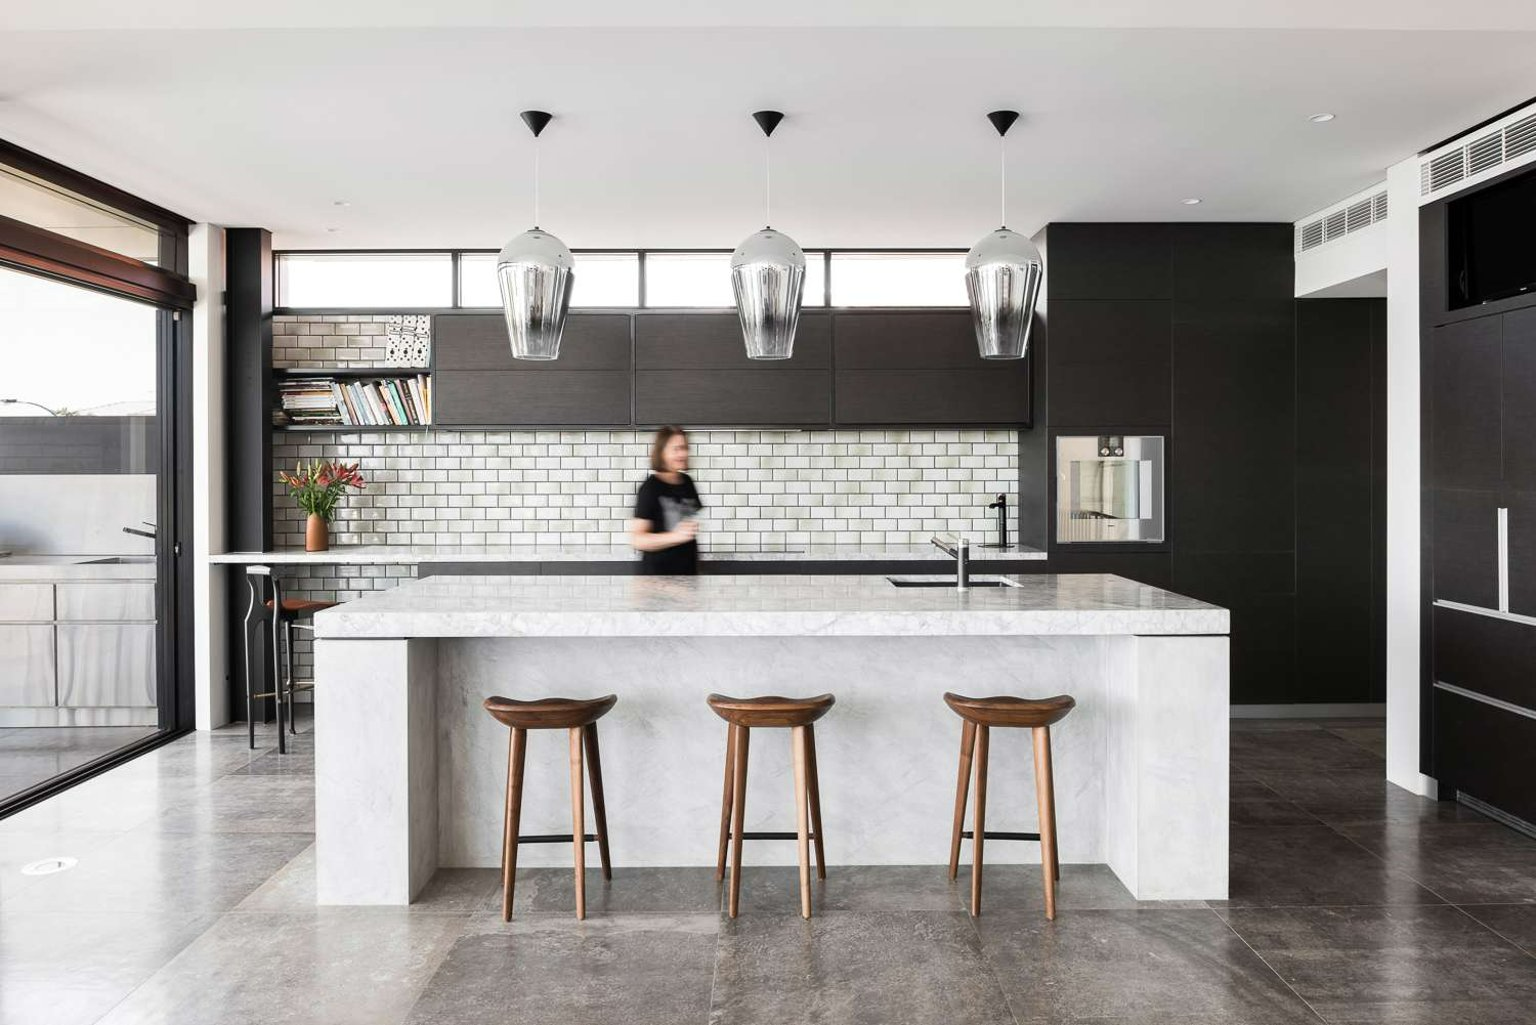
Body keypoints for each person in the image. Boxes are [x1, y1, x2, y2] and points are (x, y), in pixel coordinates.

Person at [629, 425, 703, 575]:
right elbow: (637, 539)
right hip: (658, 580)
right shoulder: (650, 488)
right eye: (676, 449)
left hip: (687, 578)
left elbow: (688, 531)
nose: (683, 453)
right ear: (662, 452)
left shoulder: (687, 482)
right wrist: (675, 537)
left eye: (685, 448)